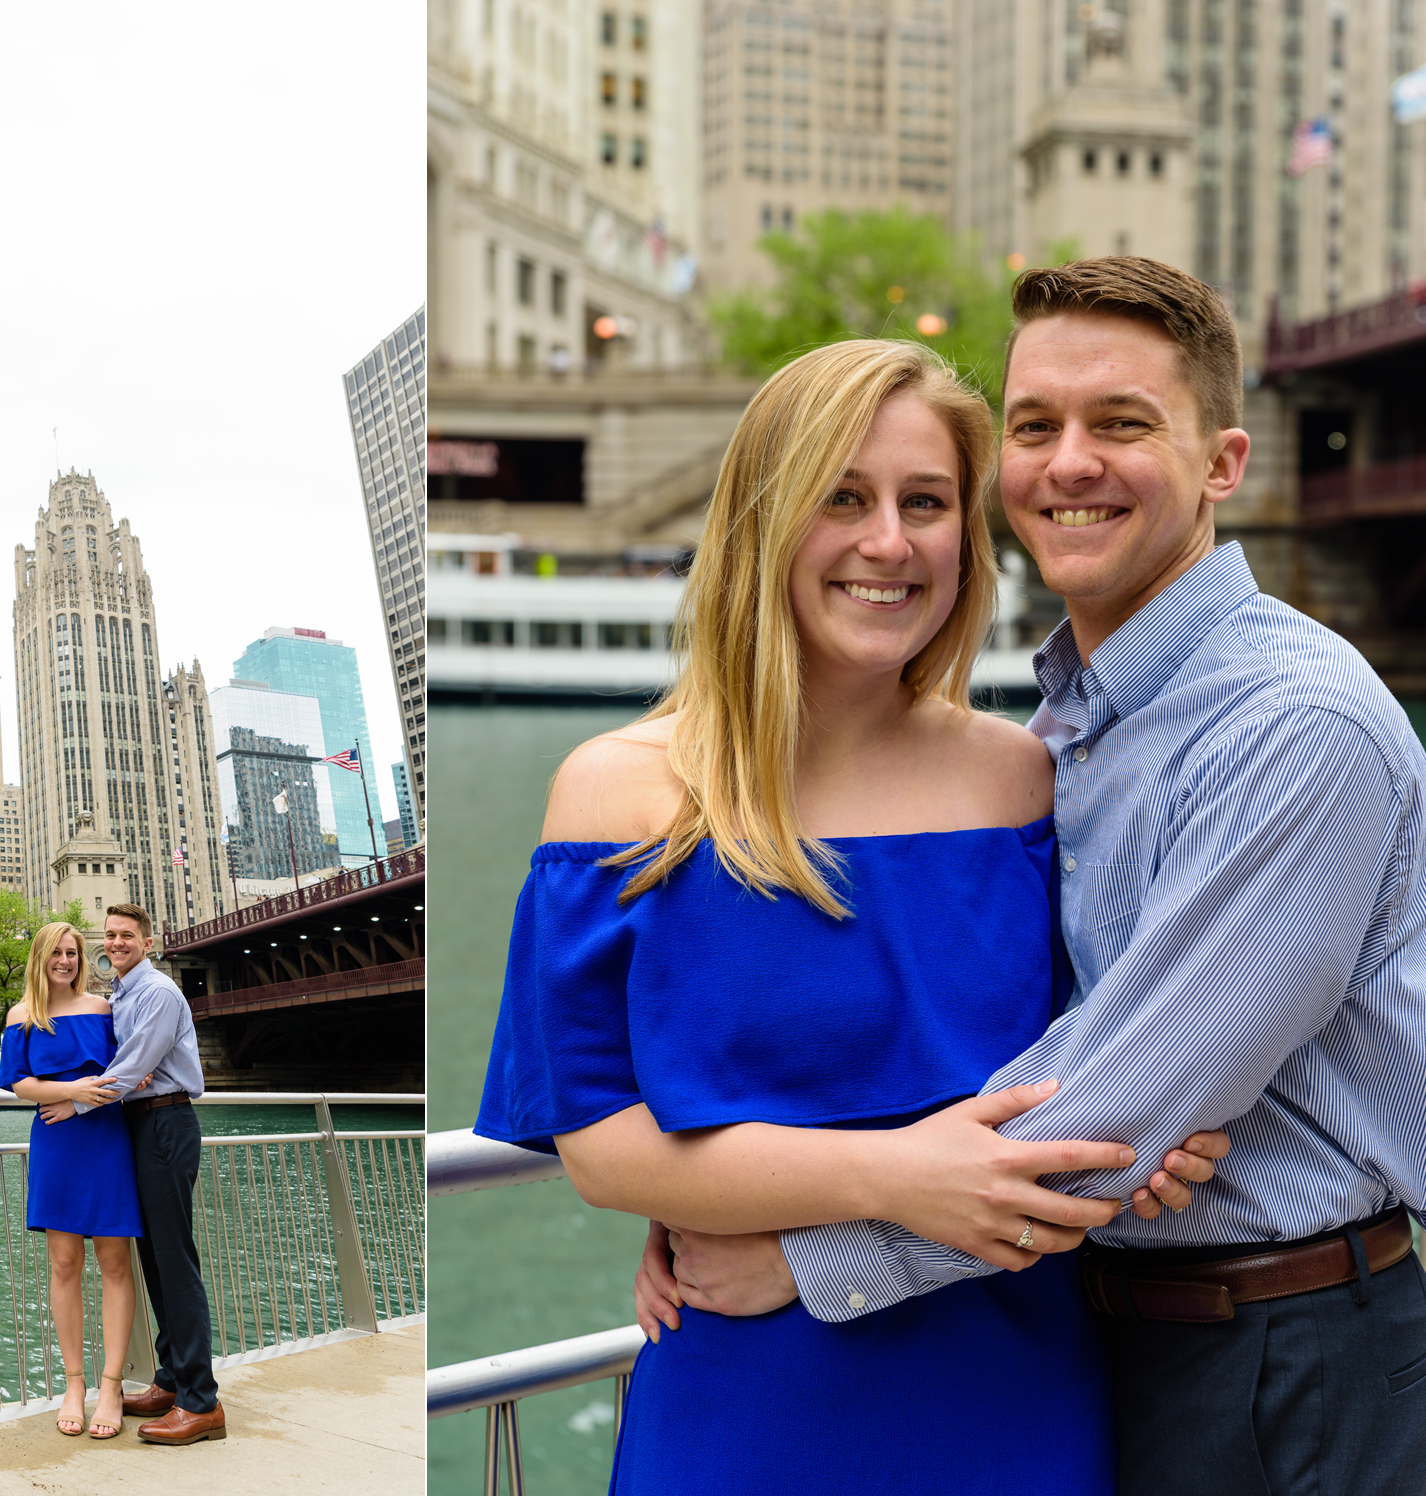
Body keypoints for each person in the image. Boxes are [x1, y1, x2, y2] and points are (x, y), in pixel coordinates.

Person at [634, 257, 1426, 1496]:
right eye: (1034, 425)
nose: (1067, 463)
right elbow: (1055, 1061)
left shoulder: (1293, 723)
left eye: (1120, 424)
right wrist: (719, 1183)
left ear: (1221, 463)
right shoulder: (1062, 728)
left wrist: (798, 1249)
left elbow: (1116, 1104)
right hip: (1093, 1325)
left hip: (1286, 1355)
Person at [473, 336, 1223, 1494]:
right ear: (761, 521)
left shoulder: (1020, 778)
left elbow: (1104, 1070)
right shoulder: (617, 791)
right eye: (840, 497)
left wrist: (1158, 1148)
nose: (888, 541)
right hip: (746, 1395)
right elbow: (603, 1145)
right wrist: (880, 1176)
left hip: (1014, 1376)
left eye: (923, 502)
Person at [77, 904, 226, 1445]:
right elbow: (128, 1068)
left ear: (146, 941)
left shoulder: (158, 992)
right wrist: (126, 1079)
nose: (117, 943)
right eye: (111, 935)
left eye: (127, 936)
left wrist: (76, 1103)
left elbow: (133, 1064)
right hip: (140, 1124)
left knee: (174, 1260)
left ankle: (201, 1402)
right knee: (154, 1260)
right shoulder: (123, 993)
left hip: (166, 1124)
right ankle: (170, 1379)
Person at [0, 921, 142, 1440]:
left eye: (73, 953)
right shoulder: (22, 1017)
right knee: (63, 1264)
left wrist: (77, 1098)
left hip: (104, 1137)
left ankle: (111, 1385)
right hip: (55, 1143)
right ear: (40, 957)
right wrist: (70, 1088)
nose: (65, 961)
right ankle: (74, 1384)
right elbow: (17, 1084)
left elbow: (128, 1073)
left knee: (114, 1262)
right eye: (56, 953)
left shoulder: (102, 1009)